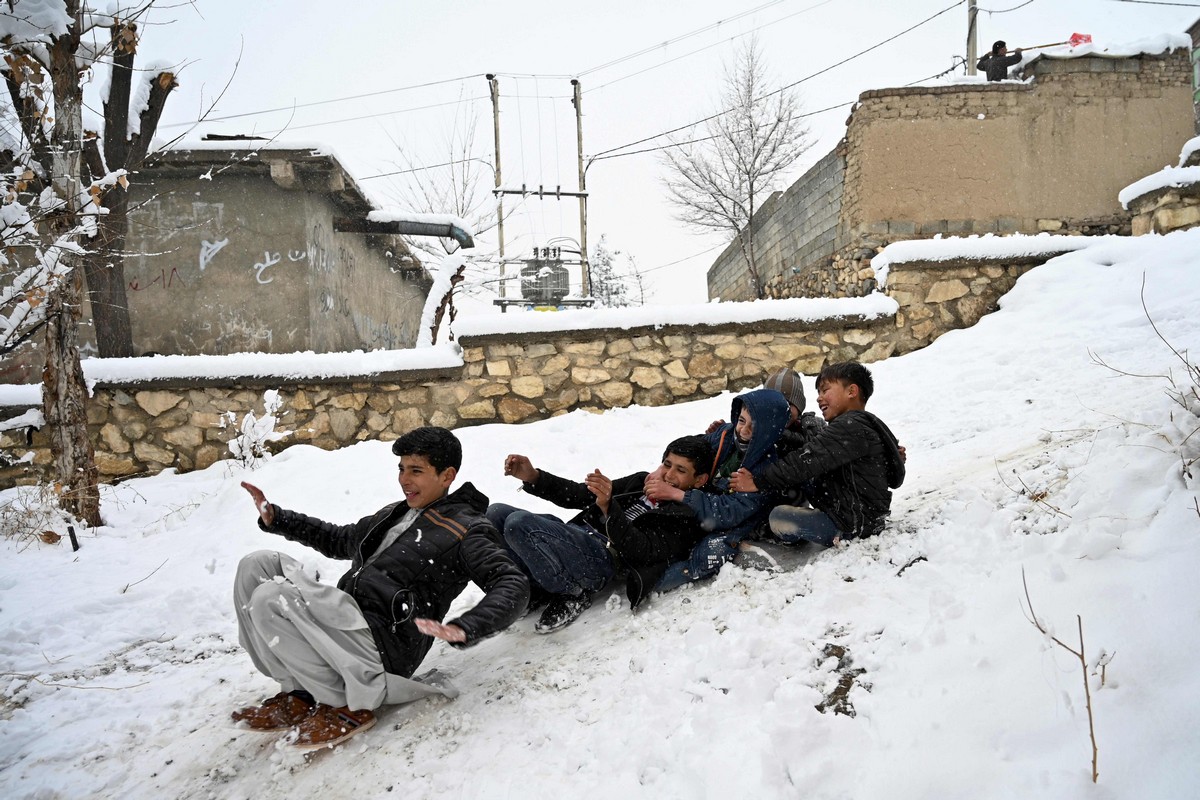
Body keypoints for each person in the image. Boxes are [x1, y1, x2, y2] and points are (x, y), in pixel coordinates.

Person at [231, 426, 529, 750]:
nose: (404, 479)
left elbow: (512, 583)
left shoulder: (467, 528)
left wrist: (467, 627)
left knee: (274, 598)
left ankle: (350, 707)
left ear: (447, 476)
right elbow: (340, 539)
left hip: (385, 643)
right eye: (401, 469)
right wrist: (279, 518)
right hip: (350, 620)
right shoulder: (395, 513)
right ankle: (300, 693)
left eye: (416, 471)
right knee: (256, 565)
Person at [487, 436, 716, 633]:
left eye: (681, 470)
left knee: (519, 524)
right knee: (494, 514)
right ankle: (532, 591)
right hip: (577, 534)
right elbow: (580, 496)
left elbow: (640, 550)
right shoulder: (641, 481)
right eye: (667, 464)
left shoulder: (685, 516)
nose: (668, 474)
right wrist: (533, 477)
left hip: (604, 558)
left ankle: (572, 592)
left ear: (700, 480)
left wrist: (609, 508)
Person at [730, 361, 905, 546]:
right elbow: (894, 478)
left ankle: (826, 536)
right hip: (861, 518)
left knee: (779, 518)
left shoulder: (849, 427)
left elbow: (806, 460)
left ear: (851, 391)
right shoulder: (864, 426)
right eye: (818, 393)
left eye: (825, 390)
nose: (819, 398)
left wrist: (757, 482)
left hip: (852, 524)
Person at [656, 388, 791, 591]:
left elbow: (730, 512)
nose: (744, 431)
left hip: (735, 521)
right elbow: (693, 449)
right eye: (742, 421)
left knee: (713, 549)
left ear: (768, 431)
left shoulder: (765, 468)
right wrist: (663, 468)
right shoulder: (726, 435)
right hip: (704, 501)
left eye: (754, 427)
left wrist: (680, 495)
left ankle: (665, 578)